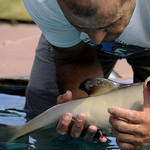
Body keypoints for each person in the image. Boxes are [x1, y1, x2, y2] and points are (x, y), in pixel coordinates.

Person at [23, 0, 150, 148]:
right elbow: (74, 58)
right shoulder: (43, 2)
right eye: (79, 25)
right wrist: (86, 112)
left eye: (111, 22)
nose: (96, 39)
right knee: (42, 109)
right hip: (76, 45)